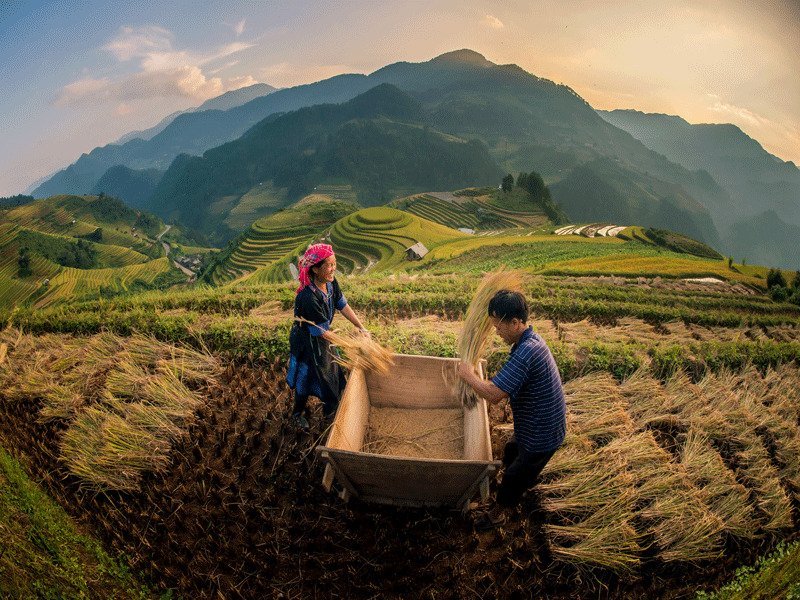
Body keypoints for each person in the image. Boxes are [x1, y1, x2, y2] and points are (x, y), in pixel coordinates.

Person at [457, 289, 566, 529]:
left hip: (542, 434)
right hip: (533, 424)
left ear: (515, 322)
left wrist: (469, 376)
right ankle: (512, 483)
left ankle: (498, 513)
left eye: (499, 327)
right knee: (510, 452)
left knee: (514, 479)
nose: (496, 333)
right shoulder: (528, 341)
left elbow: (494, 395)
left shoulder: (527, 352)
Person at [287, 243, 369, 430]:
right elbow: (321, 332)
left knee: (333, 370)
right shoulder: (308, 298)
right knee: (306, 375)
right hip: (306, 340)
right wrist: (352, 343)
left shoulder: (330, 283)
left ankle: (330, 408)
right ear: (316, 269)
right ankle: (297, 414)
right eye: (329, 265)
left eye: (334, 264)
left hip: (322, 336)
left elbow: (342, 305)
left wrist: (360, 327)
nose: (333, 269)